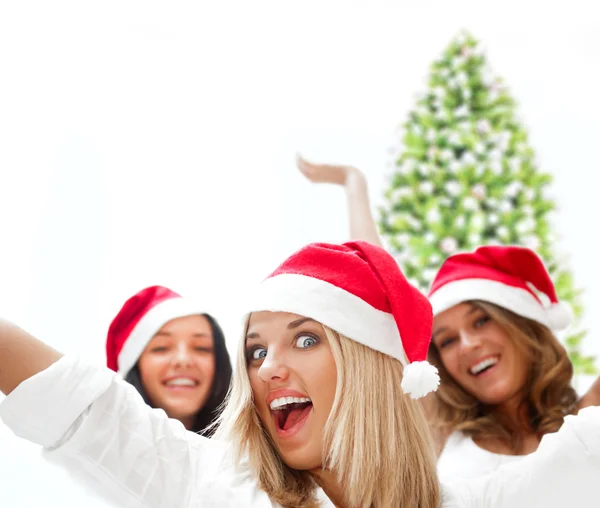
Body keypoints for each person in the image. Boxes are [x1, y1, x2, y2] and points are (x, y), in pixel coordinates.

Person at [1, 240, 600, 508]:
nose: (269, 367)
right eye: (255, 351)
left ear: (372, 369)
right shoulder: (214, 490)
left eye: (306, 339)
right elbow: (83, 409)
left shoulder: (491, 499)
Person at [295, 156, 600, 478]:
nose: (467, 345)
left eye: (481, 320)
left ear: (521, 325)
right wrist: (353, 182)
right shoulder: (442, 429)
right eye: (447, 340)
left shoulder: (585, 416)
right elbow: (386, 294)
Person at [106, 285, 232, 434]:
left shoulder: (247, 453)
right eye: (161, 347)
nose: (183, 360)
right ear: (135, 366)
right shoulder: (97, 451)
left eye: (201, 348)